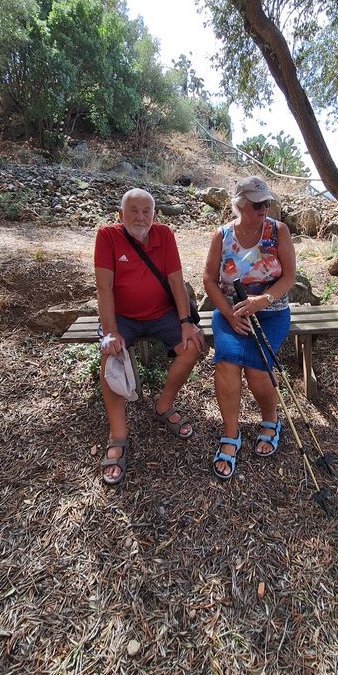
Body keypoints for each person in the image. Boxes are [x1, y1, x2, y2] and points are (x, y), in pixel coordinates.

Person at [94, 188, 204, 487]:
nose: (140, 217)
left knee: (191, 345)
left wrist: (185, 322)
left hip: (161, 314)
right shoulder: (107, 236)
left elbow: (175, 281)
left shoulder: (164, 235)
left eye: (146, 211)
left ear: (154, 216)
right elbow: (104, 288)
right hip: (123, 318)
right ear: (121, 214)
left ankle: (163, 405)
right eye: (133, 211)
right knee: (110, 354)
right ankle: (118, 434)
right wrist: (111, 331)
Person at [203, 176, 296, 479]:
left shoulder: (277, 231)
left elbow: (289, 278)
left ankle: (271, 420)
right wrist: (229, 314)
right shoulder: (223, 235)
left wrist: (263, 299)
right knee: (226, 364)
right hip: (232, 312)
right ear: (240, 205)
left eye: (267, 202)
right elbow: (208, 280)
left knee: (257, 368)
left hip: (272, 312)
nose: (264, 207)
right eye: (258, 204)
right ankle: (232, 434)